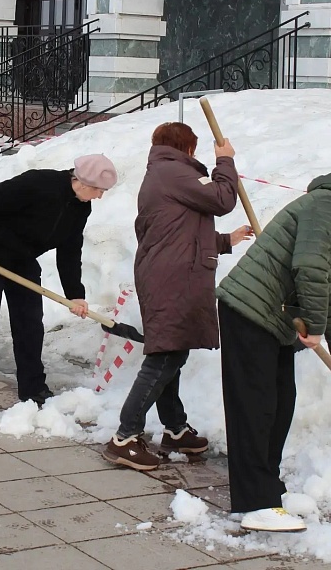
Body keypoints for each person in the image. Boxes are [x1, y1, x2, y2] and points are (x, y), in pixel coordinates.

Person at [215, 159, 331, 533]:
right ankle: (254, 504)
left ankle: (267, 492)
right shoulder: (328, 207)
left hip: (274, 320)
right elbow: (310, 267)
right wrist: (314, 324)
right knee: (255, 408)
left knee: (280, 406)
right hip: (250, 309)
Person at [102, 122, 250, 472]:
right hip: (172, 279)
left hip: (170, 273)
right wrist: (225, 162)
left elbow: (180, 235)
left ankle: (175, 429)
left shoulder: (165, 175)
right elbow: (221, 198)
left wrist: (227, 241)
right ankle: (125, 437)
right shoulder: (173, 172)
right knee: (166, 357)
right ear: (186, 148)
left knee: (172, 351)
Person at [0, 155, 119, 413]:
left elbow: (70, 250)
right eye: (99, 190)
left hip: (22, 259)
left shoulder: (80, 208)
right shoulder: (39, 183)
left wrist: (75, 294)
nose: (100, 196)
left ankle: (33, 388)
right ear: (83, 181)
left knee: (30, 322)